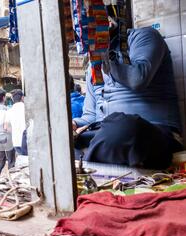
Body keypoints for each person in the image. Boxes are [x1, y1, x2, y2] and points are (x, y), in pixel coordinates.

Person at [73, 26, 183, 169]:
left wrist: (102, 53)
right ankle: (91, 164)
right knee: (61, 141)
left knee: (124, 127)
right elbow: (91, 117)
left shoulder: (143, 36)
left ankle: (89, 164)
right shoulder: (92, 67)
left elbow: (137, 79)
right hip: (104, 135)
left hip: (152, 132)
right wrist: (74, 124)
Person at [5, 89, 26, 155]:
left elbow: (6, 127)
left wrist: (15, 132)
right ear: (22, 98)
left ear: (12, 99)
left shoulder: (9, 111)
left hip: (16, 141)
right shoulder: (27, 108)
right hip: (27, 141)